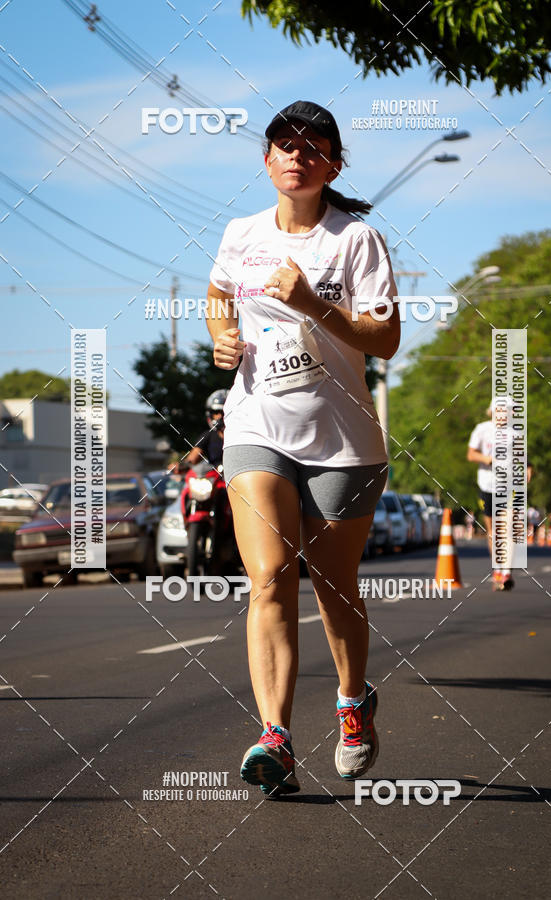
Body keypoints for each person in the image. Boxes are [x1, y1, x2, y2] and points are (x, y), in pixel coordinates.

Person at [204, 100, 400, 797]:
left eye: (313, 147)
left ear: (333, 166)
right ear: (267, 160)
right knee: (269, 577)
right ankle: (276, 738)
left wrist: (313, 302)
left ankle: (352, 703)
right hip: (256, 426)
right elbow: (217, 293)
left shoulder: (357, 241)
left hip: (341, 440)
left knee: (334, 585)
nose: (298, 155)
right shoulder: (241, 233)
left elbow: (385, 339)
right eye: (285, 145)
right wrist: (222, 337)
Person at [467, 399, 531, 590]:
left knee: (509, 528)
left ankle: (507, 572)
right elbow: (471, 454)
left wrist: (528, 467)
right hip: (487, 485)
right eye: (502, 410)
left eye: (509, 410)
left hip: (508, 487)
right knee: (494, 532)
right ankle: (498, 568)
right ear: (493, 411)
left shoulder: (515, 432)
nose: (505, 413)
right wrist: (487, 459)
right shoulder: (482, 429)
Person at [186, 389, 229, 467]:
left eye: (223, 412)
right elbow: (192, 459)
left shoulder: (244, 434)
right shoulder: (208, 436)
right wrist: (182, 466)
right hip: (216, 474)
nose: (220, 416)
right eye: (216, 412)